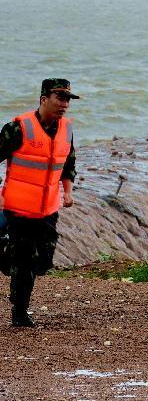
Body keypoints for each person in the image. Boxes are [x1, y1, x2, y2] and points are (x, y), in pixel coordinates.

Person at [0, 78, 78, 327]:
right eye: (59, 98)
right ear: (43, 99)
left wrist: (68, 192)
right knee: (24, 261)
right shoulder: (19, 127)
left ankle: (8, 258)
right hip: (18, 207)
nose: (64, 104)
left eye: (67, 99)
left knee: (43, 262)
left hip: (48, 208)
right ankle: (20, 312)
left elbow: (68, 164)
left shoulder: (67, 129)